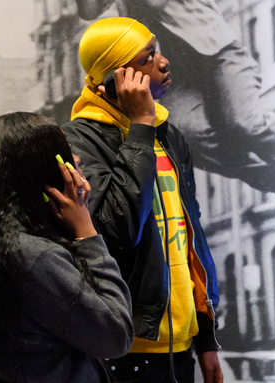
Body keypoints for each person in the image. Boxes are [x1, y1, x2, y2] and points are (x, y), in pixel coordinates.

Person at [62, 17, 223, 383]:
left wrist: (206, 340)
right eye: (147, 58)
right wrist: (140, 126)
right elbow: (120, 227)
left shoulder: (169, 136)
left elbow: (191, 243)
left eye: (158, 51)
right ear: (114, 81)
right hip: (125, 350)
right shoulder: (78, 140)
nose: (163, 62)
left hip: (181, 345)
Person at [75, 0, 275, 224]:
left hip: (217, 53)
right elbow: (89, 10)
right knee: (183, 141)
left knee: (241, 123)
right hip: (173, 75)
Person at [0, 112, 134, 383]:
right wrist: (86, 232)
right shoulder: (35, 257)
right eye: (65, 153)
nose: (76, 161)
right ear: (44, 170)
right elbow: (115, 334)